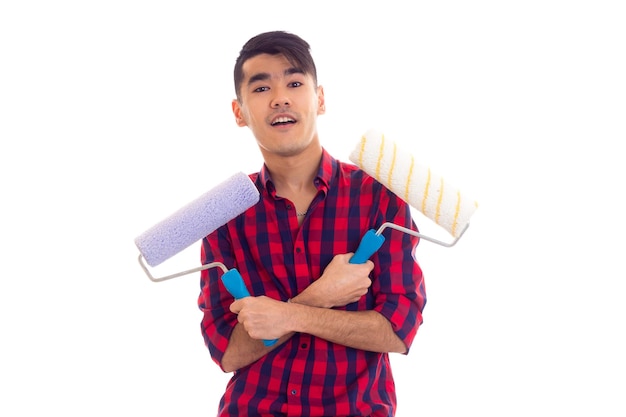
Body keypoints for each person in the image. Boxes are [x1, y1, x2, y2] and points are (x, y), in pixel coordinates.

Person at [198, 31, 426, 417]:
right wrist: (317, 298)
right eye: (261, 87)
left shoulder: (379, 197)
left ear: (319, 99)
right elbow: (229, 352)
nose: (280, 97)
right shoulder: (224, 215)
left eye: (295, 82)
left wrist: (288, 315)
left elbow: (398, 331)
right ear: (239, 113)